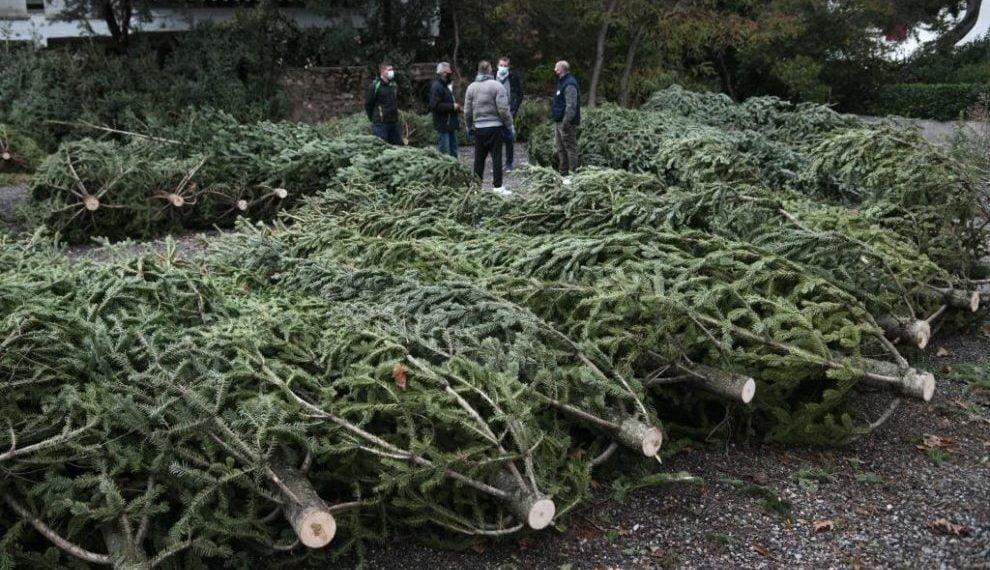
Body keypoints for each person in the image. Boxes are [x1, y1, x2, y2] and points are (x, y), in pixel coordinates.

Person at [464, 60, 515, 195]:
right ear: (490, 71)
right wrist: (510, 126)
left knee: (479, 158)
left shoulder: (471, 88)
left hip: (479, 128)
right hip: (495, 127)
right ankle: (497, 187)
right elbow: (503, 110)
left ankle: (476, 188)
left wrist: (469, 127)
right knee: (497, 157)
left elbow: (467, 111)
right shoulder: (497, 86)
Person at [552, 60, 580, 185]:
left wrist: (566, 122)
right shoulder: (561, 82)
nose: (554, 70)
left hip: (566, 123)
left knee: (570, 148)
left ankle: (572, 174)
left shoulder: (570, 84)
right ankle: (563, 174)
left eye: (556, 67)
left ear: (561, 69)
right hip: (559, 121)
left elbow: (571, 106)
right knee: (561, 148)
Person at [496, 56, 523, 171]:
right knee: (496, 141)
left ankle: (509, 163)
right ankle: (497, 164)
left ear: (509, 66)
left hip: (509, 113)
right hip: (495, 114)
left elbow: (520, 94)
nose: (503, 68)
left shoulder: (513, 78)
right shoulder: (492, 78)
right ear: (497, 65)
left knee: (509, 138)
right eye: (501, 65)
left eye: (505, 66)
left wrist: (515, 109)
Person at [429, 62, 461, 157]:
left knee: (453, 149)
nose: (450, 72)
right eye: (448, 70)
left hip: (450, 123)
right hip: (443, 124)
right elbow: (434, 105)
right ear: (442, 72)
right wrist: (452, 106)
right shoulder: (437, 86)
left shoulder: (446, 85)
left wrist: (457, 107)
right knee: (445, 151)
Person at [365, 62, 401, 145]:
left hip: (394, 122)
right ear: (382, 71)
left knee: (398, 145)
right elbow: (368, 104)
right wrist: (375, 118)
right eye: (389, 70)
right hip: (381, 123)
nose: (392, 72)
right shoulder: (375, 86)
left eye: (392, 69)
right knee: (382, 146)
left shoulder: (393, 85)